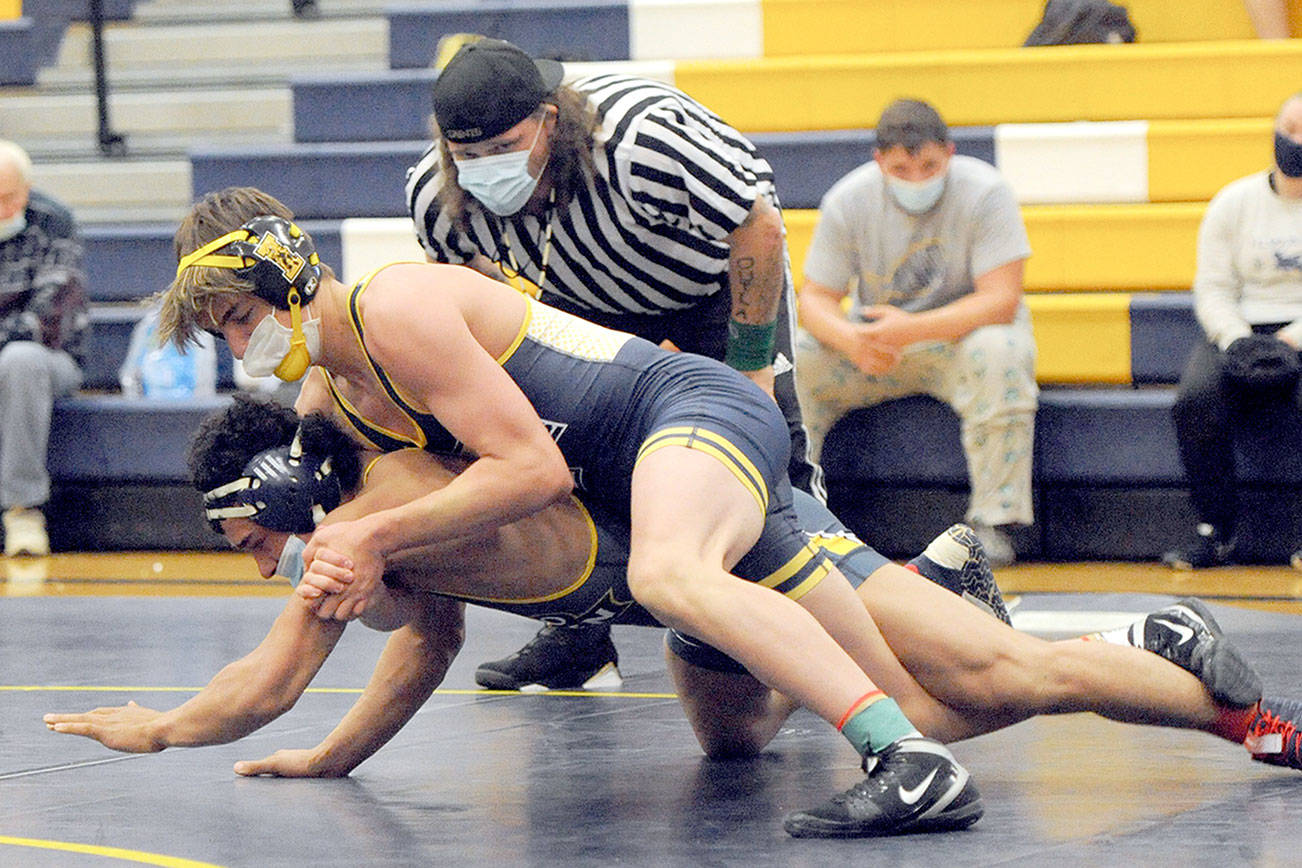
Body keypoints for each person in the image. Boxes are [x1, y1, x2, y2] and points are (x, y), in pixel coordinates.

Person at [43, 396, 1302, 830]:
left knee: (968, 696)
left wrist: (153, 730)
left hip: (744, 537)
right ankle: (960, 596)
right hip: (693, 601)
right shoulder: (390, 552)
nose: (274, 575)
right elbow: (417, 648)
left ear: (291, 493)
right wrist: (330, 754)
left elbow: (269, 673)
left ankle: (1172, 662)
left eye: (259, 541)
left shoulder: (402, 507)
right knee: (737, 742)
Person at [150, 186, 987, 838]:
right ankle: (968, 617)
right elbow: (426, 629)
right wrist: (333, 755)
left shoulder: (392, 320)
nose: (236, 347)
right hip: (627, 486)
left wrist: (364, 537)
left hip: (680, 442)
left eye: (237, 318)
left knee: (695, 586)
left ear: (282, 272)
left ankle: (942, 727)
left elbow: (530, 468)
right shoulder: (338, 403)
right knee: (769, 728)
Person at [404, 37, 821, 689]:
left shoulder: (643, 142)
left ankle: (821, 618)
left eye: (504, 149)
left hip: (709, 278)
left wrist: (751, 373)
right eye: (469, 156)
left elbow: (757, 229)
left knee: (767, 443)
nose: (487, 167)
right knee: (568, 453)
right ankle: (579, 635)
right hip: (575, 293)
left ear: (550, 119)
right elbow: (460, 300)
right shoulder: (438, 199)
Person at [793, 98, 1037, 567]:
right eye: (903, 169)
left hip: (959, 341)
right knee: (800, 358)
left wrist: (911, 329)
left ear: (949, 153)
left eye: (929, 165)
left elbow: (1002, 300)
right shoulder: (848, 200)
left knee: (1003, 349)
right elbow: (814, 299)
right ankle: (795, 513)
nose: (918, 179)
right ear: (879, 161)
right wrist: (850, 341)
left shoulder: (986, 192)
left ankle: (995, 523)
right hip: (877, 347)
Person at [1163, 93, 1302, 570]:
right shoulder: (1234, 202)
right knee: (1194, 402)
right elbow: (1213, 286)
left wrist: (1291, 341)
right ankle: (1215, 529)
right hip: (1240, 329)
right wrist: (1237, 339)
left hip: (1299, 332)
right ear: (1275, 132)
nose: (1298, 141)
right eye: (1293, 128)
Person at [0, 140, 87, 558]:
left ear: (27, 189)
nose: (2, 210)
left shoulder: (55, 221)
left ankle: (23, 509)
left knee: (19, 361)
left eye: (8, 198)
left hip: (51, 357)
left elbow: (47, 317)